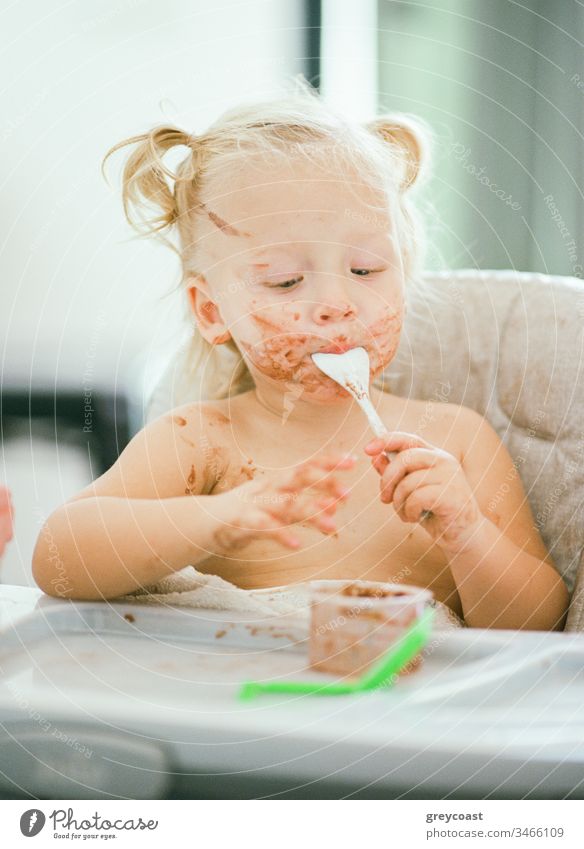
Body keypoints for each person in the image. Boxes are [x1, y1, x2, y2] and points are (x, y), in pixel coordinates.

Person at [32, 80, 568, 630]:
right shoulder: (204, 442)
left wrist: (468, 531)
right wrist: (219, 517)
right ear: (213, 311)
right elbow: (58, 561)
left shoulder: (455, 439)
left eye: (365, 270)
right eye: (285, 281)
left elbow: (538, 628)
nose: (335, 304)